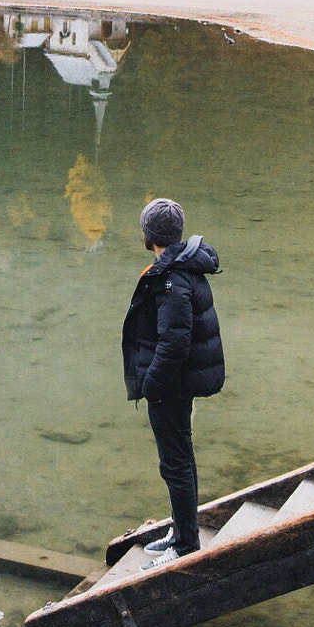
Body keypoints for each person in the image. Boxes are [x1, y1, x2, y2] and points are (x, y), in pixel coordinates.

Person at [121, 197, 224, 562]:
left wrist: (152, 388)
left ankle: (184, 547)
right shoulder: (180, 267)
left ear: (149, 235)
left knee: (175, 463)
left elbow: (174, 344)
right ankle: (182, 531)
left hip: (171, 387)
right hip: (178, 383)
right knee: (181, 458)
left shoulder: (171, 281)